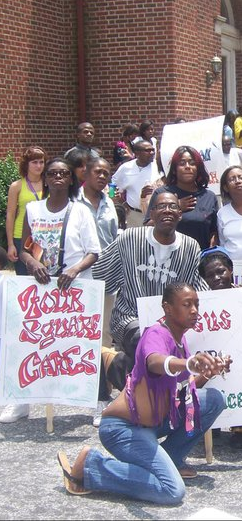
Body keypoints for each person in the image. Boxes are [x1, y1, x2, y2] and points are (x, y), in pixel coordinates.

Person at [56, 283, 229, 503]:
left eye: (196, 304)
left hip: (153, 421)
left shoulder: (180, 337)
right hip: (122, 429)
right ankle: (92, 466)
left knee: (215, 400)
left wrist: (208, 371)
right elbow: (155, 362)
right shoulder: (155, 334)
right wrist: (189, 363)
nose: (194, 310)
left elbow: (186, 391)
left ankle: (171, 459)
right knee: (172, 491)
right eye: (187, 304)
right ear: (167, 308)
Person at [0, 158, 101, 424]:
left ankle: (94, 403)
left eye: (63, 173)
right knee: (32, 342)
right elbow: (23, 247)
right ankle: (20, 403)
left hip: (74, 288)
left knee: (81, 346)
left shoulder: (81, 211)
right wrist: (32, 263)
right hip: (42, 287)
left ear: (70, 180)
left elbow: (94, 252)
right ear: (45, 179)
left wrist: (74, 270)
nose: (58, 177)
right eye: (52, 173)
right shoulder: (33, 209)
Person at [92, 192, 208, 391]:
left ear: (180, 214)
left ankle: (122, 372)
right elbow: (101, 274)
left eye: (173, 206)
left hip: (171, 322)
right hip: (129, 317)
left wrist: (232, 295)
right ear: (151, 213)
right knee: (146, 339)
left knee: (162, 349)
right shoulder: (129, 238)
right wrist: (73, 278)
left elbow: (199, 288)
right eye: (161, 206)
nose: (167, 211)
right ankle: (148, 395)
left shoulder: (190, 247)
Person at [198, 246, 242, 449]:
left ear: (231, 270)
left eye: (221, 271)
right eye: (210, 275)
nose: (217, 278)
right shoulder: (199, 301)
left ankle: (240, 426)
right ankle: (214, 420)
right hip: (213, 356)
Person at [77, 157, 119, 425]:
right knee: (81, 338)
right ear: (85, 173)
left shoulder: (109, 202)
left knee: (103, 339)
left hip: (107, 280)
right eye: (98, 172)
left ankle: (102, 397)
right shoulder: (74, 203)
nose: (103, 176)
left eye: (106, 172)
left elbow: (113, 240)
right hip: (79, 280)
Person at [145, 146, 218, 250]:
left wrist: (212, 248)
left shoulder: (209, 197)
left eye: (192, 163)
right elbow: (148, 227)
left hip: (200, 258)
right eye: (182, 163)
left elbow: (214, 231)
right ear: (174, 169)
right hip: (167, 258)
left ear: (198, 168)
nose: (187, 167)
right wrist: (175, 207)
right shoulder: (162, 194)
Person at [6, 146, 46, 275]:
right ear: (26, 164)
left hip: (45, 234)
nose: (38, 166)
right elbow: (11, 215)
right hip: (21, 236)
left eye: (41, 162)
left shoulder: (49, 184)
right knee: (23, 276)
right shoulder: (17, 186)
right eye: (34, 162)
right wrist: (11, 244)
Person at [111, 140, 163, 227]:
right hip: (134, 215)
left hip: (155, 216)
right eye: (147, 150)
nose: (152, 153)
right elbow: (112, 185)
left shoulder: (158, 167)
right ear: (137, 153)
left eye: (153, 150)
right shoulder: (126, 168)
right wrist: (121, 203)